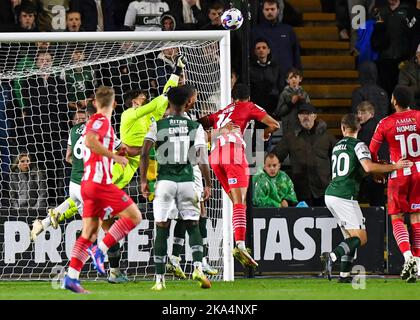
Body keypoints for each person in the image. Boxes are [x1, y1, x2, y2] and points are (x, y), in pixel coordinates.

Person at [63, 86, 142, 294]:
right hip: (99, 183)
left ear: (96, 102)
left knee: (88, 233)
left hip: (87, 184)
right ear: (114, 104)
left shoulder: (93, 121)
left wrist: (117, 151)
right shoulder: (101, 120)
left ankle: (71, 278)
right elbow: (90, 142)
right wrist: (115, 157)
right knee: (134, 216)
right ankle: (101, 250)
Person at [321, 113, 413, 282]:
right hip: (344, 196)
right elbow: (368, 167)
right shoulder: (359, 145)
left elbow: (355, 169)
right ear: (359, 128)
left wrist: (375, 171)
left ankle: (344, 276)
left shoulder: (337, 146)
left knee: (350, 238)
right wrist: (395, 166)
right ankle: (332, 256)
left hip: (331, 194)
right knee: (361, 238)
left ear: (342, 128)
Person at [198, 83, 280, 269]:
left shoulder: (222, 112)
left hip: (215, 157)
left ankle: (238, 242)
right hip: (232, 152)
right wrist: (266, 134)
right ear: (248, 98)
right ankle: (241, 246)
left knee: (236, 204)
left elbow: (200, 124)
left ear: (232, 98)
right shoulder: (249, 106)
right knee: (240, 202)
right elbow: (274, 124)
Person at [140, 86, 212, 290]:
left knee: (162, 228)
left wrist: (144, 181)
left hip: (165, 182)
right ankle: (198, 266)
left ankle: (159, 280)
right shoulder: (195, 126)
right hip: (187, 181)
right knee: (193, 224)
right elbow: (201, 158)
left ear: (169, 103)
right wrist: (207, 183)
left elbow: (145, 153)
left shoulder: (158, 125)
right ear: (187, 103)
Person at [165, 85, 218, 278]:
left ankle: (175, 258)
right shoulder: (189, 124)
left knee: (180, 216)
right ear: (188, 100)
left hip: (169, 174)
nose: (196, 99)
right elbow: (200, 154)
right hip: (190, 171)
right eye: (194, 97)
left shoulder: (167, 120)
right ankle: (200, 261)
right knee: (198, 213)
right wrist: (208, 182)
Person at [111, 55, 185, 191]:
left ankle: (92, 211)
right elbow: (156, 102)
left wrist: (177, 72)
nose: (145, 96)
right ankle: (64, 209)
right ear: (134, 101)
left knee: (116, 188)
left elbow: (164, 95)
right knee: (106, 183)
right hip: (123, 154)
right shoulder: (128, 114)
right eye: (141, 96)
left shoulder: (151, 115)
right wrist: (165, 95)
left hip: (137, 158)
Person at [369, 85, 420, 283]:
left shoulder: (385, 123)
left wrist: (380, 167)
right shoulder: (418, 116)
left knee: (397, 217)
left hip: (399, 174)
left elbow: (372, 151)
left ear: (394, 101)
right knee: (416, 218)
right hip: (419, 172)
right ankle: (417, 264)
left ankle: (408, 258)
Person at [273, 103, 336, 206]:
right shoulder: (290, 137)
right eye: (302, 114)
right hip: (300, 191)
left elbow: (337, 158)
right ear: (298, 117)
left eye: (309, 113)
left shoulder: (327, 136)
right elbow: (275, 157)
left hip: (324, 191)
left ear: (315, 116)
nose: (305, 116)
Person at [356, 101, 388, 206]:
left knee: (375, 202)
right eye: (359, 113)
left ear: (372, 114)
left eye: (364, 113)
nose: (360, 116)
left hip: (373, 170)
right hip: (383, 167)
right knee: (378, 202)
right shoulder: (380, 125)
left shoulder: (365, 130)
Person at [274, 67, 310, 134]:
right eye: (291, 78)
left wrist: (303, 103)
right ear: (287, 80)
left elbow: (309, 110)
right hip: (288, 128)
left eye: (295, 77)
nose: (293, 79)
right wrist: (291, 103)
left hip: (301, 127)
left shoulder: (304, 94)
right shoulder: (284, 94)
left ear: (300, 79)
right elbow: (279, 112)